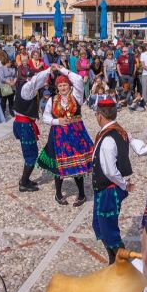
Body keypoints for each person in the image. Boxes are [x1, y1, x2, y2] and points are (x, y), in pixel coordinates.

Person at [38, 66, 94, 206]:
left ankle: (81, 194)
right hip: (58, 135)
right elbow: (45, 117)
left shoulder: (76, 96)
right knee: (59, 164)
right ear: (57, 87)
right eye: (60, 85)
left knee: (77, 163)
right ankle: (58, 193)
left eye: (65, 84)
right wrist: (57, 121)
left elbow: (79, 79)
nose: (63, 87)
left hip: (76, 134)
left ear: (69, 85)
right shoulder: (53, 100)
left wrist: (61, 69)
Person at [89, 97, 133, 263]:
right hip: (107, 189)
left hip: (109, 190)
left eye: (96, 114)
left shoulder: (108, 138)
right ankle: (113, 261)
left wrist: (124, 185)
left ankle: (122, 267)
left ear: (100, 115)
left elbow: (110, 171)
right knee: (100, 226)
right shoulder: (118, 130)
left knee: (109, 230)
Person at [12, 65, 52, 192]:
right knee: (31, 155)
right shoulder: (28, 87)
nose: (45, 81)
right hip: (24, 125)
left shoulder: (26, 86)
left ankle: (26, 179)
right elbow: (36, 80)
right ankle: (23, 183)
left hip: (23, 123)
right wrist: (49, 70)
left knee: (31, 152)